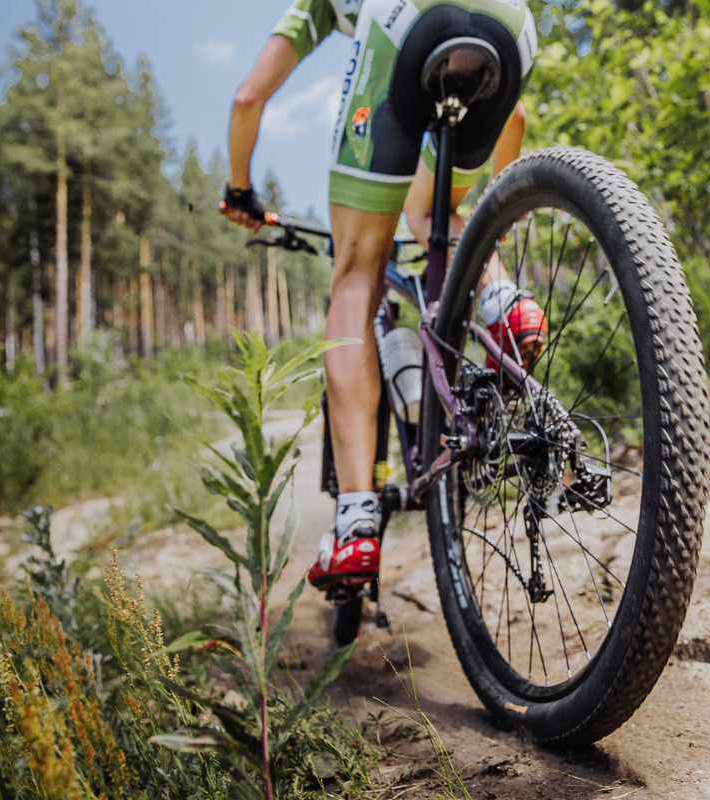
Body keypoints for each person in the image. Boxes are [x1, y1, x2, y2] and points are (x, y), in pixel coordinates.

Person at [222, 0, 545, 591]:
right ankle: (503, 299)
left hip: (407, 19)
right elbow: (515, 117)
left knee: (356, 273)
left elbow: (248, 97)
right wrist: (493, 217)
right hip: (512, 24)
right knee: (430, 212)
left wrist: (240, 189)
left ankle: (355, 522)